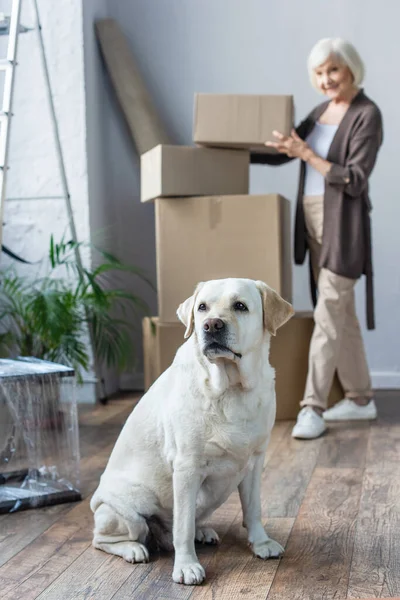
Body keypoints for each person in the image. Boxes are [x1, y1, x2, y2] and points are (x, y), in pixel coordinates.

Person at [251, 38, 383, 439]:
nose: (326, 80)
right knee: (342, 314)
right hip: (311, 219)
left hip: (343, 224)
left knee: (328, 314)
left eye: (334, 70)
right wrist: (232, 148)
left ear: (350, 69)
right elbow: (284, 151)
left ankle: (313, 407)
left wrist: (307, 153)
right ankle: (361, 399)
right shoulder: (321, 111)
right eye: (320, 72)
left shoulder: (366, 114)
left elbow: (355, 179)